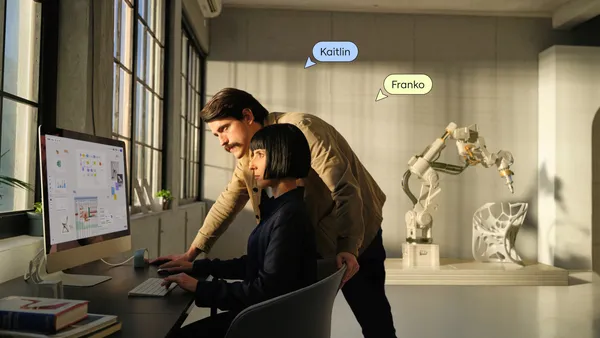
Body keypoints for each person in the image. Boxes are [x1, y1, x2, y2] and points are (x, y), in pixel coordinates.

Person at [153, 88, 397, 338]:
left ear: (247, 116)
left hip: (358, 233)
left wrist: (348, 245)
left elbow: (345, 188)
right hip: (314, 239)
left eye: (224, 128)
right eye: (216, 134)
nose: (222, 142)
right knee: (299, 313)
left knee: (374, 321)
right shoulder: (252, 155)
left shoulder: (301, 130)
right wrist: (192, 254)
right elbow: (228, 201)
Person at [162, 123, 318, 337]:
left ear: (283, 155)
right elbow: (254, 264)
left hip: (269, 323)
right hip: (268, 317)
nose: (251, 165)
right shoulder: (281, 208)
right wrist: (198, 267)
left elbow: (266, 290)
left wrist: (200, 288)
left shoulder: (289, 216)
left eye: (259, 155)